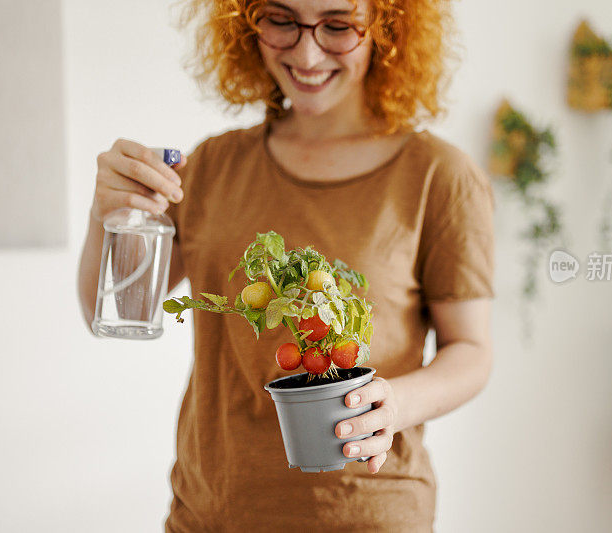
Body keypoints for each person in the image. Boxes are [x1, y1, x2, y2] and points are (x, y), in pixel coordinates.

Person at [77, 0, 496, 530]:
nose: (306, 50)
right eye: (281, 19)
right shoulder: (212, 166)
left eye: (338, 25)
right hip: (210, 512)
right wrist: (106, 215)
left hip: (365, 514)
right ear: (246, 23)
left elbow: (472, 350)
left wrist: (394, 404)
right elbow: (111, 308)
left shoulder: (439, 176)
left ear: (387, 27)